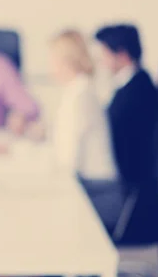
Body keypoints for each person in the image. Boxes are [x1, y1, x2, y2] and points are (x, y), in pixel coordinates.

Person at [94, 24, 158, 242]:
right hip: (130, 186)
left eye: (104, 54)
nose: (100, 61)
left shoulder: (136, 93)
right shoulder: (134, 83)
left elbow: (122, 145)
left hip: (128, 194)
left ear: (122, 54)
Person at [47, 30, 122, 232]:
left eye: (52, 60)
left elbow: (68, 164)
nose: (50, 67)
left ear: (65, 61)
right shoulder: (80, 89)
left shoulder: (80, 96)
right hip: (94, 188)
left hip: (98, 194)